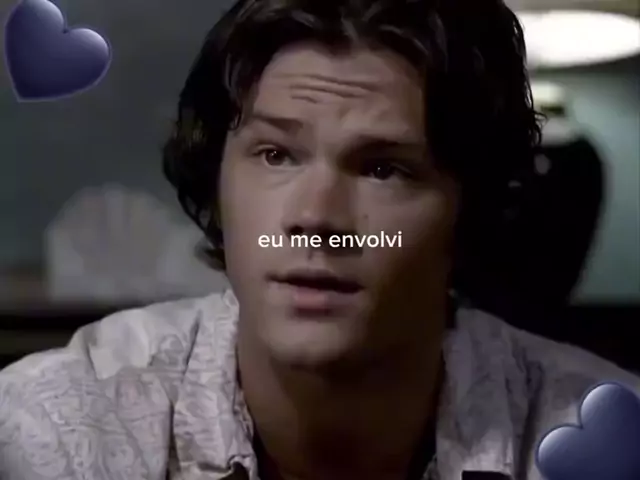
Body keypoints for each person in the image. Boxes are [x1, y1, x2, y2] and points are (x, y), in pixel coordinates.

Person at [0, 1, 638, 479]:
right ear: (217, 179)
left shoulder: (597, 433)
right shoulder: (57, 429)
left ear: (467, 209)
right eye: (276, 155)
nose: (315, 217)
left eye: (383, 169)